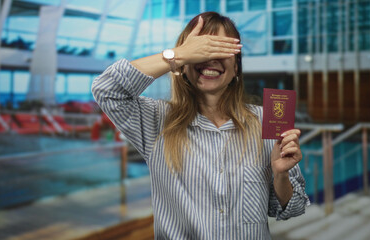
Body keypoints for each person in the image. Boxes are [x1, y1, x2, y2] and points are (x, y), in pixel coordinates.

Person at [92, 12, 309, 239]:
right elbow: (107, 89)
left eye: (222, 49)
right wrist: (179, 54)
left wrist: (280, 176)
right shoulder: (156, 120)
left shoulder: (267, 122)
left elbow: (293, 208)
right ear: (184, 66)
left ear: (236, 68)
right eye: (202, 49)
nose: (211, 58)